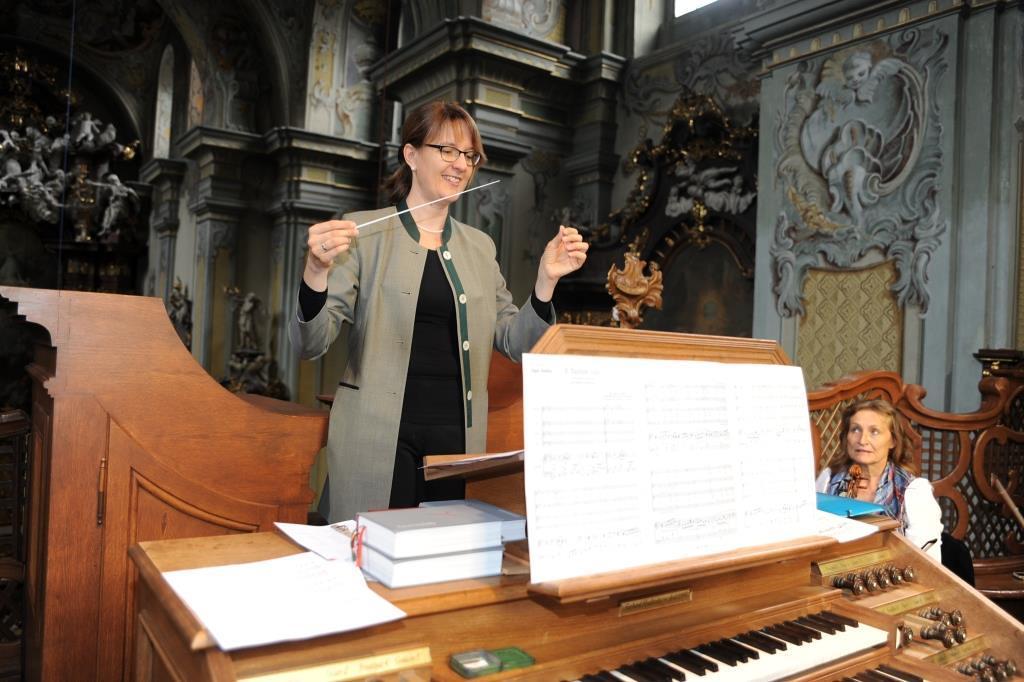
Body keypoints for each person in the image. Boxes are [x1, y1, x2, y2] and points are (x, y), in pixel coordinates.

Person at [289, 100, 588, 523]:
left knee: (442, 555)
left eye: (469, 155)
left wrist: (546, 281)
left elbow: (514, 342)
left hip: (456, 442)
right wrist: (316, 271)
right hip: (376, 437)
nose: (460, 164)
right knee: (371, 553)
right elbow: (311, 342)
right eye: (447, 150)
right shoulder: (362, 233)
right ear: (411, 155)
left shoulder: (479, 246)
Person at [815, 398, 943, 561]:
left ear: (893, 441)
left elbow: (926, 562)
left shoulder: (914, 491)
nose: (862, 440)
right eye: (855, 429)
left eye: (874, 432)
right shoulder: (828, 479)